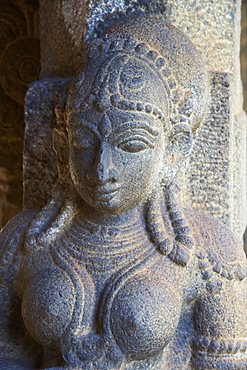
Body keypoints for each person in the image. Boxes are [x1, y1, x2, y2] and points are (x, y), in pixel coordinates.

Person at [0, 15, 247, 370]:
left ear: (174, 150)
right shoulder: (21, 241)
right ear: (61, 145)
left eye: (130, 145)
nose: (102, 169)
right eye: (84, 142)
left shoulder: (208, 253)